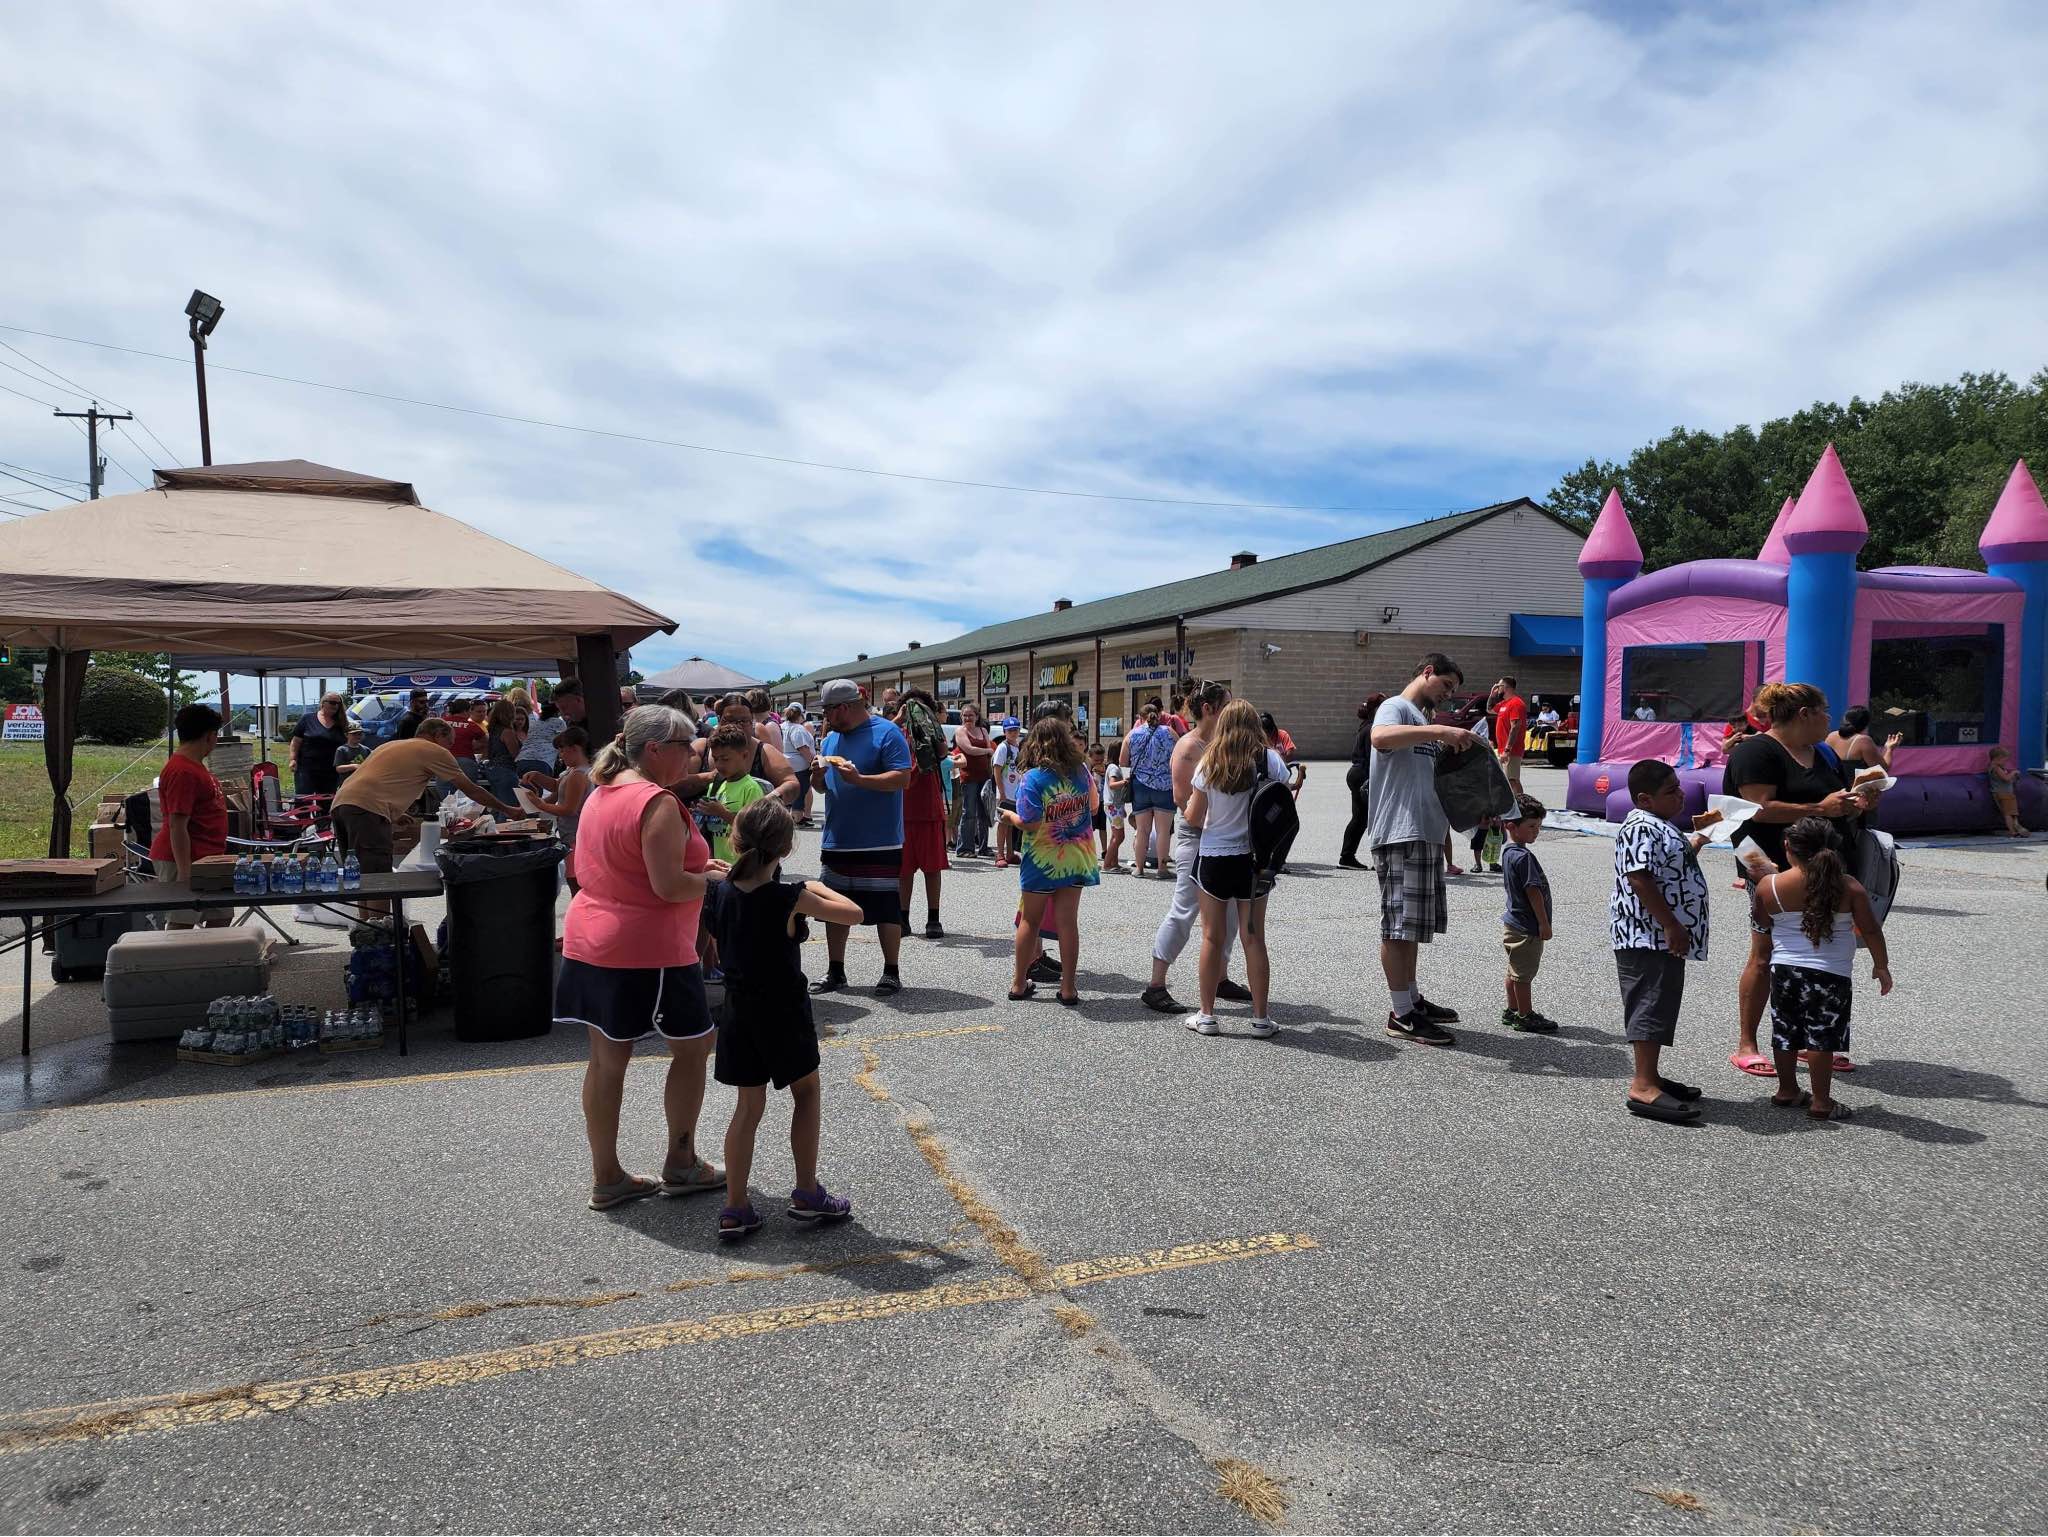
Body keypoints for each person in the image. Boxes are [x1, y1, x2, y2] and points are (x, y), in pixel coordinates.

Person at [553, 705, 726, 1210]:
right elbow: (668, 886)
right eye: (685, 746)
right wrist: (714, 881)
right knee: (693, 1048)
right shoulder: (656, 801)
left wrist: (699, 870)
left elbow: (629, 865)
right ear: (654, 749)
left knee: (606, 1061)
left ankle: (607, 1176)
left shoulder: (600, 790)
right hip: (648, 946)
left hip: (591, 936)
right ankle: (682, 1162)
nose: (692, 755)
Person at [710, 797, 862, 1239]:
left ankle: (736, 1205)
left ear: (736, 840)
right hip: (782, 1009)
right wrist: (814, 885)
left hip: (738, 1010)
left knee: (747, 1107)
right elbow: (854, 913)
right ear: (786, 848)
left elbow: (716, 941)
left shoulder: (719, 891)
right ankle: (807, 1191)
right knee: (806, 1092)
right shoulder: (789, 897)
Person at [1724, 681, 1866, 1079]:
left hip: (1821, 868)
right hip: (1767, 864)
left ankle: (1811, 1042)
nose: (1830, 720)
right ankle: (1747, 1043)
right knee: (1766, 952)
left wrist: (1855, 804)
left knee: (1816, 951)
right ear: (1805, 714)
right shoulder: (1755, 751)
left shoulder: (1823, 752)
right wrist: (1819, 807)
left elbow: (1834, 805)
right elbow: (1755, 809)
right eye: (1824, 712)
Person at [1370, 654, 1479, 1046]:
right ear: (1427, 672)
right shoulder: (1396, 707)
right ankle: (1401, 1014)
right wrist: (1439, 731)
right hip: (1401, 831)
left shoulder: (1420, 718)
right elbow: (1379, 737)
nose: (1448, 694)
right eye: (1446, 685)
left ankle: (1412, 1000)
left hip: (1424, 831)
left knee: (1412, 927)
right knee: (1398, 927)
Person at [1754, 816, 1893, 1122]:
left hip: (1785, 969)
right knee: (1822, 1037)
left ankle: (1787, 1090)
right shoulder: (1848, 886)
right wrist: (1881, 965)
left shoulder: (1770, 885)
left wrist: (1763, 880)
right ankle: (1821, 1101)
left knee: (1785, 1031)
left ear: (1787, 846)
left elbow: (1762, 922)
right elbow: (1871, 929)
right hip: (1830, 974)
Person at [1610, 759, 1712, 1124]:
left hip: (1659, 935)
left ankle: (1650, 1074)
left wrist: (1698, 840)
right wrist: (1670, 924)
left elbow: (1668, 866)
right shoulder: (1640, 826)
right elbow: (1640, 877)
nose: (1681, 795)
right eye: (1671, 791)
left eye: (1679, 787)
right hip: (1646, 935)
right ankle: (1642, 1085)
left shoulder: (1660, 825)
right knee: (1649, 1003)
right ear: (1645, 799)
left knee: (1662, 1002)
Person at [1142, 682, 1249, 1014]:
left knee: (1229, 914)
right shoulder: (1189, 746)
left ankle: (1220, 977)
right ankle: (1156, 984)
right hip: (1197, 837)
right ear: (1208, 709)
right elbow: (1182, 798)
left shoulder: (1225, 744)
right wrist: (1221, 823)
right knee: (1184, 910)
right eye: (1226, 704)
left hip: (1224, 840)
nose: (1230, 710)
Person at [1179, 699, 1283, 1038]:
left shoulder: (1210, 761)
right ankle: (1261, 1019)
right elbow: (1279, 804)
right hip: (1255, 861)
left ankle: (1207, 1015)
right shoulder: (1269, 760)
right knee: (1254, 938)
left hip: (1215, 857)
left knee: (1212, 936)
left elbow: (1194, 817)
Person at [809, 678, 913, 996]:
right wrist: (817, 777)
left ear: (844, 707)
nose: (825, 717)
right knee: (834, 906)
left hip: (879, 838)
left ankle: (891, 971)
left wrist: (860, 779)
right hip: (837, 838)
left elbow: (902, 778)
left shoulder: (887, 733)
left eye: (828, 710)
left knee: (886, 907)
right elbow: (823, 788)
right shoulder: (830, 740)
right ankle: (836, 971)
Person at [1000, 715, 1100, 1005]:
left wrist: (1009, 817)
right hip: (1076, 856)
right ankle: (1068, 988)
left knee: (1030, 921)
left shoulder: (1033, 778)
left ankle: (1019, 983)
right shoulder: (1081, 771)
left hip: (1042, 858)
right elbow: (1094, 806)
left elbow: (1029, 823)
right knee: (1068, 923)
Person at [330, 719, 515, 874]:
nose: (450, 749)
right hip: (366, 809)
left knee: (359, 872)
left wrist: (394, 812)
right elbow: (472, 790)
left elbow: (380, 779)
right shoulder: (433, 750)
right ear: (438, 735)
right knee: (377, 876)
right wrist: (508, 809)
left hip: (342, 803)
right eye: (450, 743)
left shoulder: (390, 745)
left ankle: (368, 909)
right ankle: (380, 909)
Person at [149, 703, 228, 929]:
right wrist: (184, 871)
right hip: (184, 859)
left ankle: (211, 953)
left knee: (221, 916)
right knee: (181, 924)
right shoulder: (182, 771)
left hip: (208, 857)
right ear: (209, 736)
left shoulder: (196, 766)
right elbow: (177, 824)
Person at [894, 688, 951, 938]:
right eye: (909, 706)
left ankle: (933, 918)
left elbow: (942, 752)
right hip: (903, 809)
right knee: (903, 869)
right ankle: (902, 917)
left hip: (928, 808)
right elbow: (878, 740)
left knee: (932, 868)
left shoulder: (932, 730)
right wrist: (899, 720)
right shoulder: (896, 731)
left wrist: (930, 724)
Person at [1498, 793, 1556, 1033]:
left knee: (1514, 970)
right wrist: (1544, 923)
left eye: (1539, 826)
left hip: (1513, 923)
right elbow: (1533, 892)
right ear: (1511, 826)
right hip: (1527, 927)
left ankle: (1512, 1009)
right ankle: (1525, 1015)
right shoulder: (1524, 858)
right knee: (1523, 975)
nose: (1536, 831)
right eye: (1531, 826)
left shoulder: (1509, 852)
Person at [679, 699, 801, 809]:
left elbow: (792, 784)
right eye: (729, 720)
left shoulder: (765, 751)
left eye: (743, 721)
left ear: (752, 722)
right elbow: (674, 784)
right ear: (719, 719)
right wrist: (709, 777)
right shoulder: (702, 747)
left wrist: (765, 802)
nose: (736, 725)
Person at [523, 725, 593, 891]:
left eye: (562, 750)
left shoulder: (578, 775)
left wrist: (540, 804)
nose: (560, 755)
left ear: (574, 748)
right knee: (573, 878)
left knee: (575, 879)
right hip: (570, 833)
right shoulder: (571, 771)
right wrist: (538, 777)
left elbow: (569, 809)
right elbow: (556, 787)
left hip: (576, 834)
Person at [693, 723, 767, 865]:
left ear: (744, 755)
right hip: (719, 861)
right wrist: (700, 814)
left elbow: (752, 829)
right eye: (716, 759)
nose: (719, 765)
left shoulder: (750, 788)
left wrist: (722, 812)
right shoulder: (716, 786)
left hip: (741, 864)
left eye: (725, 759)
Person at [1120, 701, 1179, 879]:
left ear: (1140, 717)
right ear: (1159, 716)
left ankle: (1139, 868)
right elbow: (1179, 757)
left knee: (1142, 830)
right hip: (1164, 786)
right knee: (1163, 831)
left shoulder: (1132, 734)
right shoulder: (1169, 732)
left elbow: (1123, 761)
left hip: (1140, 786)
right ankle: (1162, 869)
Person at [1338, 693, 1386, 870]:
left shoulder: (1365, 726)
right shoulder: (1373, 728)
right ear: (1376, 709)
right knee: (1375, 818)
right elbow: (1374, 758)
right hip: (1364, 776)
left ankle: (1347, 857)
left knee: (1360, 818)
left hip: (1356, 774)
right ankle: (1380, 860)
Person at [517, 680, 584, 779]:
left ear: (578, 700)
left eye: (564, 707)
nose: (563, 713)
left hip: (521, 761)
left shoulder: (537, 723)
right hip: (542, 762)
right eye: (560, 709)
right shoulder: (560, 723)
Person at [952, 703, 995, 856]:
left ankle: (983, 847)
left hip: (984, 776)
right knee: (969, 813)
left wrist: (988, 753)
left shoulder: (983, 730)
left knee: (984, 813)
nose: (968, 718)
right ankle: (965, 848)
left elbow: (989, 752)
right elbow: (969, 749)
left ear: (977, 716)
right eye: (965, 715)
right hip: (968, 777)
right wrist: (987, 750)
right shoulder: (960, 731)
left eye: (971, 715)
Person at [288, 691, 349, 798]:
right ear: (323, 703)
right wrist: (293, 759)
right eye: (332, 703)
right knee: (304, 801)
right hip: (306, 769)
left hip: (330, 772)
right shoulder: (307, 719)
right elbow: (296, 741)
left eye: (338, 704)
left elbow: (347, 745)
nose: (336, 706)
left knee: (326, 803)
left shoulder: (342, 723)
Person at [991, 716, 1025, 869]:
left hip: (1015, 793)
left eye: (1015, 730)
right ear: (1004, 731)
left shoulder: (1017, 748)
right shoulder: (1003, 748)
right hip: (1004, 792)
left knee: (1011, 824)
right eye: (1010, 730)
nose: (1013, 733)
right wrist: (1001, 791)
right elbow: (997, 769)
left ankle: (1010, 853)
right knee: (1003, 823)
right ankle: (1000, 854)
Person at [481, 699, 525, 806]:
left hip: (492, 769)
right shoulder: (507, 731)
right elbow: (515, 753)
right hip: (506, 770)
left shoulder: (493, 730)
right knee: (509, 806)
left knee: (499, 805)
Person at [781, 704, 818, 825]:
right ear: (801, 715)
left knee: (789, 793)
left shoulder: (782, 726)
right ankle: (797, 818)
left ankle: (789, 818)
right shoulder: (798, 729)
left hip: (786, 764)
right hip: (799, 767)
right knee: (800, 793)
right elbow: (802, 748)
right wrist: (813, 761)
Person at [1988, 746, 2025, 837]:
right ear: (1997, 758)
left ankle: (2016, 828)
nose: (2005, 762)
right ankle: (2012, 831)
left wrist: (2013, 778)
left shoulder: (1995, 767)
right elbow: (2006, 778)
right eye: (2004, 760)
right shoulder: (1996, 768)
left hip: (2001, 793)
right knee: (2009, 813)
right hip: (2004, 793)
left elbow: (2006, 780)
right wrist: (2013, 772)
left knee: (2011, 812)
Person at [1102, 753, 1130, 872]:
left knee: (1115, 836)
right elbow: (1112, 785)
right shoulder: (1114, 768)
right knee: (1119, 836)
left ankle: (1114, 863)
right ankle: (1107, 864)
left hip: (1113, 805)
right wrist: (1125, 782)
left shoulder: (1112, 767)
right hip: (1114, 806)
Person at [1087, 742, 1110, 860]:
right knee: (1090, 828)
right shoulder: (1087, 770)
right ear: (1089, 758)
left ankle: (1104, 850)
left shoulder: (1106, 769)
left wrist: (1103, 773)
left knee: (1103, 827)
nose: (1099, 762)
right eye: (1096, 760)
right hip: (1091, 803)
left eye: (1101, 760)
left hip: (1102, 802)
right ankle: (1088, 850)